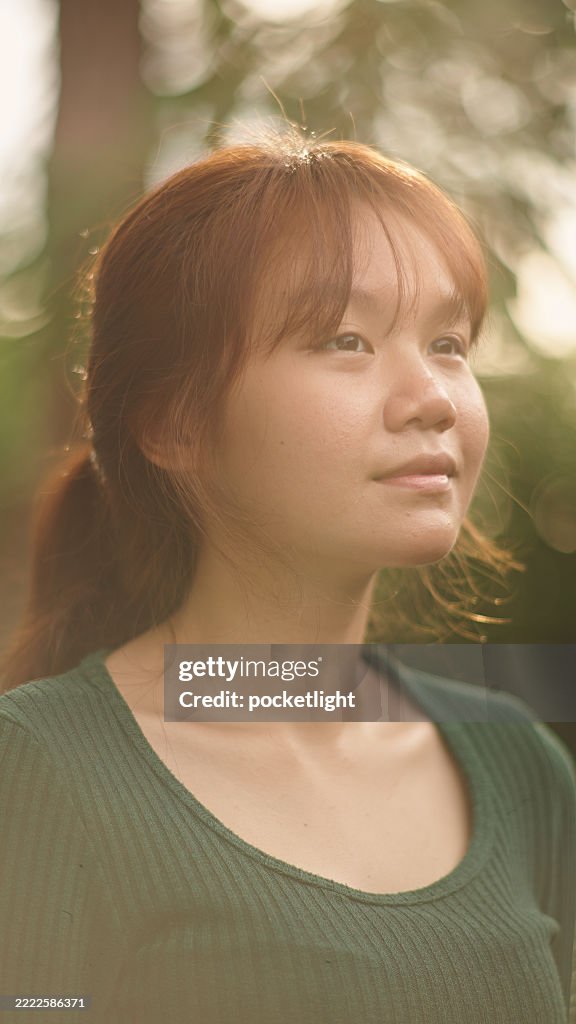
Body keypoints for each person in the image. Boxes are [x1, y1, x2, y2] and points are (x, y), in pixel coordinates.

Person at [0, 128, 574, 1024]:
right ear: (176, 424)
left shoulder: (518, 764)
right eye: (346, 339)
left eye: (451, 342)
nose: (431, 396)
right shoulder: (39, 769)